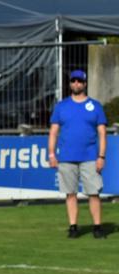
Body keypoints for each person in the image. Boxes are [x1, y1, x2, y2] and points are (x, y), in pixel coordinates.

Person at [48, 69, 108, 239]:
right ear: (70, 84)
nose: (76, 84)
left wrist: (101, 156)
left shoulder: (95, 106)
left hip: (89, 156)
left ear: (85, 84)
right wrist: (52, 154)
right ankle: (73, 227)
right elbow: (53, 132)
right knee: (70, 193)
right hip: (66, 157)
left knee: (94, 193)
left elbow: (102, 133)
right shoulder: (61, 106)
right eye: (73, 81)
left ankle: (97, 227)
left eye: (79, 81)